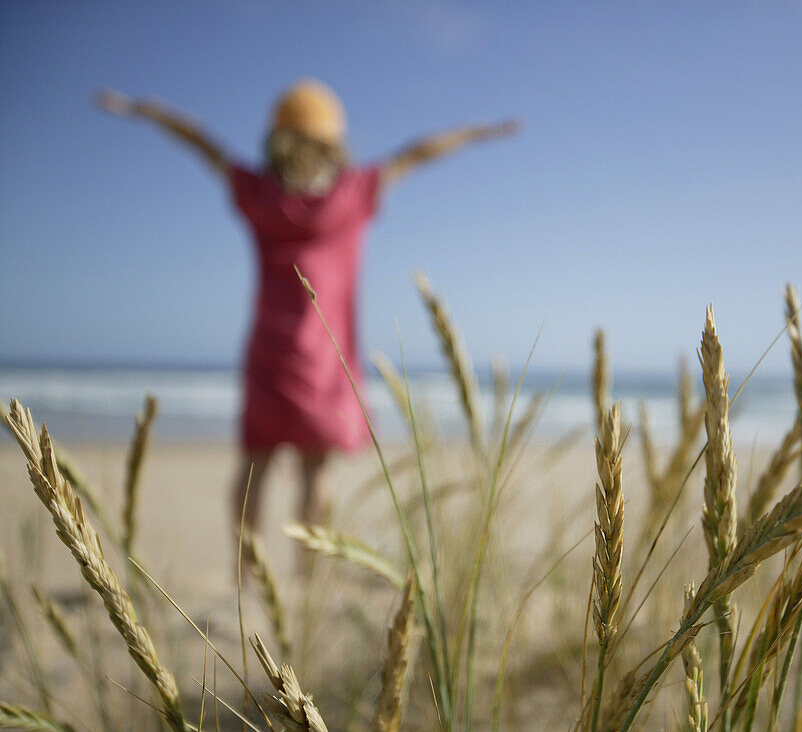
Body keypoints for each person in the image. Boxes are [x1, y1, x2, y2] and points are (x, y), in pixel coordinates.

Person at [96, 80, 518, 544]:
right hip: (327, 362)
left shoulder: (258, 193)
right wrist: (479, 132)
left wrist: (143, 109)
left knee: (254, 465)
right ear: (334, 143)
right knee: (317, 473)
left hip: (268, 353)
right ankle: (308, 576)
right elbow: (417, 153)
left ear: (277, 139)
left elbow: (201, 141)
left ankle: (248, 577)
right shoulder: (352, 195)